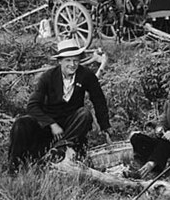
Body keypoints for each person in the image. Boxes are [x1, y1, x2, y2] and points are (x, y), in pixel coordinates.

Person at [8, 39, 112, 172]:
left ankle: (60, 150)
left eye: (75, 60)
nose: (72, 64)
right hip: (49, 124)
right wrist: (51, 124)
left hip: (71, 124)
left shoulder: (86, 76)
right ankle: (15, 165)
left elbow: (99, 100)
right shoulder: (48, 77)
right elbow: (33, 105)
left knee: (85, 114)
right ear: (60, 61)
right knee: (21, 123)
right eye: (68, 60)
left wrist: (105, 126)